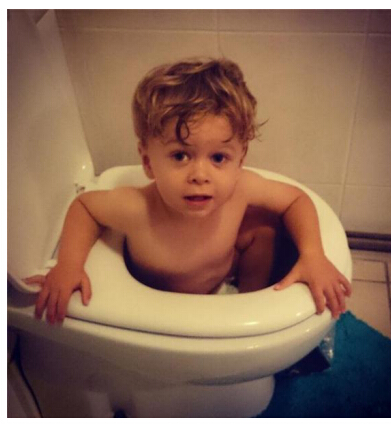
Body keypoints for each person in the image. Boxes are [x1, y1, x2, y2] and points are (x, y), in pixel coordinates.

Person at [24, 57, 351, 325]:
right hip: (155, 309)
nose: (200, 176)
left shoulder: (242, 188)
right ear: (148, 162)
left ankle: (249, 302)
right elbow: (85, 207)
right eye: (180, 156)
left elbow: (296, 199)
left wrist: (312, 254)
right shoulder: (136, 208)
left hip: (220, 280)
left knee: (265, 228)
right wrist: (69, 265)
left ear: (240, 160)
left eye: (219, 158)